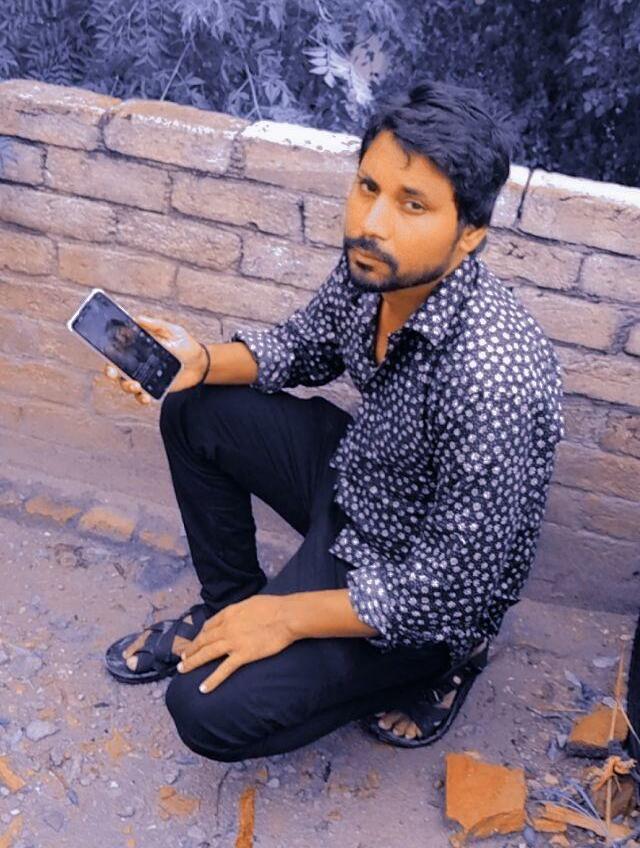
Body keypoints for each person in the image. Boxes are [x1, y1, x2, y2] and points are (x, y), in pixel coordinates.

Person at [103, 78, 564, 760]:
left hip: (415, 581)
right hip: (360, 477)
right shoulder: (374, 267)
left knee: (202, 710)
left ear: (469, 234)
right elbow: (304, 345)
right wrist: (196, 360)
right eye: (368, 187)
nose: (372, 221)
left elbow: (447, 586)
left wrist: (290, 617)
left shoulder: (495, 381)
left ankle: (440, 666)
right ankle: (231, 607)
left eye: (413, 204)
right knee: (195, 408)